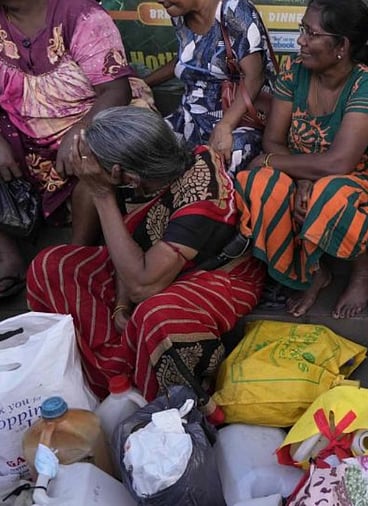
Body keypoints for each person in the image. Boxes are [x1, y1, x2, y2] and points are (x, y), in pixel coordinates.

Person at [26, 106, 265, 410]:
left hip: (217, 275)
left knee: (157, 317)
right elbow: (136, 245)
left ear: (124, 174)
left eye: (98, 168)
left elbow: (143, 286)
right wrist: (121, 304)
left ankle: (155, 402)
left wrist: (102, 194)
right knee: (53, 266)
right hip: (148, 268)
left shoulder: (201, 195)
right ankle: (112, 377)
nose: (90, 172)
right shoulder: (144, 179)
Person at [235, 0, 368, 319]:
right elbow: (274, 140)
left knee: (328, 196)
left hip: (353, 177)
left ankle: (362, 270)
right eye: (302, 29)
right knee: (259, 183)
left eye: (311, 33)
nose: (301, 40)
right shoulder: (294, 71)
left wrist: (273, 162)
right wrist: (300, 176)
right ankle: (309, 271)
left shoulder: (367, 84)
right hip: (299, 167)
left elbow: (339, 164)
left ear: (341, 46)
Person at [0, 0, 146, 300]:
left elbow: (117, 90)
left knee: (91, 162)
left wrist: (81, 129)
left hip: (86, 120)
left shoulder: (80, 15)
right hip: (16, 135)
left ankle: (74, 259)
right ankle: (7, 258)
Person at [144, 0, 274, 174]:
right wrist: (143, 82)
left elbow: (255, 77)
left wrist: (225, 125)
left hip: (239, 119)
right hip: (191, 116)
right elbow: (187, 57)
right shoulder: (180, 14)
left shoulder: (234, 10)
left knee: (227, 157)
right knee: (146, 146)